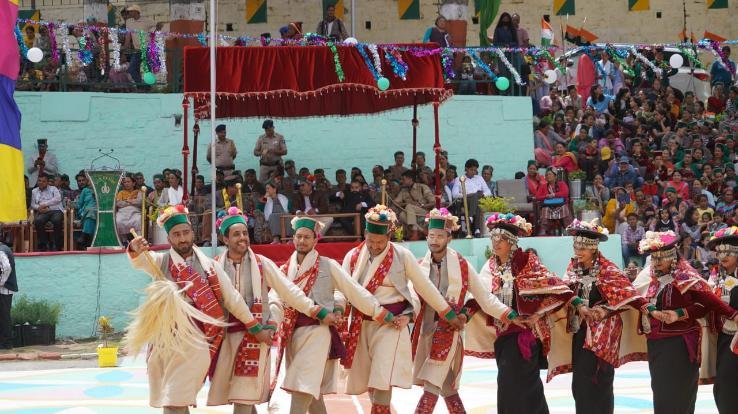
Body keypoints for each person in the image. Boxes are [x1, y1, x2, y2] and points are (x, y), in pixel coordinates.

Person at [125, 205, 322, 413]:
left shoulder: (211, 266)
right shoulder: (162, 261)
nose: (182, 238)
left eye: (185, 232)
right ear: (169, 238)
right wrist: (135, 250)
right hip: (173, 341)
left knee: (185, 399)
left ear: (193, 233)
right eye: (176, 234)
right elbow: (141, 262)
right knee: (180, 400)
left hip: (200, 342)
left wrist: (259, 327)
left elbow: (234, 299)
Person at [206, 208, 336, 413]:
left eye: (245, 233)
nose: (242, 238)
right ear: (225, 239)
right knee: (242, 398)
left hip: (256, 338)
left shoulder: (262, 263)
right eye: (236, 234)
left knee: (244, 397)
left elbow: (288, 291)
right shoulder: (214, 267)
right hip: (226, 339)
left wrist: (315, 310)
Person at [340, 205, 464, 414]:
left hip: (392, 324)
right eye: (371, 241)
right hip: (362, 324)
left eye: (381, 242)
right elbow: (343, 290)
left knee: (383, 378)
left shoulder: (402, 255)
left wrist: (448, 313)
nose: (376, 246)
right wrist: (337, 310)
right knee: (371, 381)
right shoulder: (352, 256)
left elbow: (424, 287)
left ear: (389, 236)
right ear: (365, 234)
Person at [274, 216, 394, 413]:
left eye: (307, 237)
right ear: (293, 239)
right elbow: (275, 299)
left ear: (315, 240)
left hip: (318, 333)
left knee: (302, 386)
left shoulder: (328, 265)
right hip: (292, 335)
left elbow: (352, 291)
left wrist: (379, 312)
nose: (302, 241)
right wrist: (272, 321)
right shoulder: (284, 270)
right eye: (299, 236)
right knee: (312, 391)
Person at [465, 213, 574, 414]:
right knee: (507, 384)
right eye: (494, 238)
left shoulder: (527, 262)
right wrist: (462, 315)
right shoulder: (490, 266)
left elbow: (556, 288)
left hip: (525, 335)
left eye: (502, 239)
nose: (496, 243)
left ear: (512, 242)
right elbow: (479, 295)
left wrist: (537, 315)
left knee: (525, 384)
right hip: (503, 335)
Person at [413, 209, 519, 414]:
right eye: (431, 236)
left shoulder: (461, 265)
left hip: (449, 330)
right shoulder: (419, 266)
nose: (434, 241)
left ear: (449, 238)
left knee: (433, 381)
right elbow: (411, 295)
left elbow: (483, 297)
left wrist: (510, 315)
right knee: (446, 384)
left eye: (440, 236)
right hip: (425, 330)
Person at [548, 219, 650, 414]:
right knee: (579, 384)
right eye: (576, 246)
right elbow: (564, 293)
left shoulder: (608, 270)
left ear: (593, 248)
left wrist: (605, 310)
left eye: (583, 248)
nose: (578, 251)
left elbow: (627, 296)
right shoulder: (572, 269)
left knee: (599, 381)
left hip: (604, 334)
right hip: (580, 332)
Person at [633, 231, 738, 414]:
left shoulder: (685, 275)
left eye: (728, 252)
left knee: (682, 393)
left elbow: (706, 302)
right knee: (662, 392)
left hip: (681, 342)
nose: (656, 263)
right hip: (660, 343)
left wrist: (679, 314)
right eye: (653, 258)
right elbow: (633, 295)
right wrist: (650, 310)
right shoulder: (649, 275)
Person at [706, 227, 738, 413]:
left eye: (728, 251)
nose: (722, 256)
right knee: (724, 386)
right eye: (719, 252)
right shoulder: (716, 276)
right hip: (724, 337)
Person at [393, 171, 435, 238]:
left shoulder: (422, 187)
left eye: (403, 179)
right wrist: (406, 203)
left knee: (409, 207)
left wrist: (421, 205)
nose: (401, 181)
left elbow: (433, 202)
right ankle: (421, 230)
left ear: (410, 179)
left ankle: (415, 232)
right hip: (411, 214)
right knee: (401, 215)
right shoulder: (403, 191)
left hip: (424, 212)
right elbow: (395, 202)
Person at [31, 174, 65, 251]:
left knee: (56, 220)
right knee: (38, 221)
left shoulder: (53, 189)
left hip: (56, 210)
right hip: (43, 212)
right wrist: (39, 208)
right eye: (39, 181)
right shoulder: (34, 191)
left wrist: (45, 205)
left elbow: (58, 199)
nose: (41, 183)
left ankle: (57, 245)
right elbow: (33, 204)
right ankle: (44, 244)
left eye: (44, 181)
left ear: (47, 182)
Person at [123, 4, 156, 83]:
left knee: (147, 69)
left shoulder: (147, 21)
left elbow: (156, 27)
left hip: (147, 48)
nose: (129, 13)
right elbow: (128, 36)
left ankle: (148, 86)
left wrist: (152, 39)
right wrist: (124, 49)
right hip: (137, 49)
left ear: (136, 12)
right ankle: (140, 85)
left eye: (131, 11)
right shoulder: (128, 22)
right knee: (132, 69)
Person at [535, 167, 572, 235]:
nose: (548, 176)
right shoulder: (543, 186)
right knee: (545, 209)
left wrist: (554, 195)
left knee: (564, 208)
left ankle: (569, 230)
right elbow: (537, 197)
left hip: (560, 205)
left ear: (555, 176)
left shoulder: (561, 184)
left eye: (550, 174)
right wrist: (546, 196)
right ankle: (544, 231)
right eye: (546, 175)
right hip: (548, 206)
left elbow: (565, 193)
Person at [115, 174, 143, 244]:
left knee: (138, 220)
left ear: (133, 183)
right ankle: (123, 241)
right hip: (122, 212)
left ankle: (139, 240)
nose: (126, 184)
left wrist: (127, 201)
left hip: (135, 212)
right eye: (125, 182)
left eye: (128, 182)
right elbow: (118, 203)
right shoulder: (121, 193)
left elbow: (140, 202)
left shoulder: (139, 192)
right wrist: (130, 202)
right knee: (118, 221)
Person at [0, 242, 17, 350]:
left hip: (4, 289)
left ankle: (6, 343)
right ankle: (5, 342)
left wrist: (1, 282)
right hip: (4, 288)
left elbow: (6, 268)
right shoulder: (4, 248)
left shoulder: (1, 251)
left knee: (4, 316)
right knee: (3, 316)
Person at [74, 172, 97, 249]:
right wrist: (71, 204)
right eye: (89, 181)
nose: (91, 182)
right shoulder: (85, 190)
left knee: (92, 214)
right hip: (84, 212)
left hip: (97, 212)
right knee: (90, 211)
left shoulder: (100, 190)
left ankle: (84, 238)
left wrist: (97, 196)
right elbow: (79, 205)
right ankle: (91, 241)